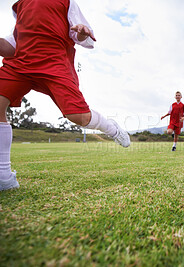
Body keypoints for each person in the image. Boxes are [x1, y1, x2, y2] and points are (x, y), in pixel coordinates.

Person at [0, 0, 131, 192]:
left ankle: (110, 127)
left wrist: (81, 32)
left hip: (53, 63)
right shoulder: (20, 5)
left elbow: (83, 37)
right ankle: (4, 178)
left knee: (78, 116)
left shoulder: (65, 2)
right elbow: (13, 45)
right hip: (21, 64)